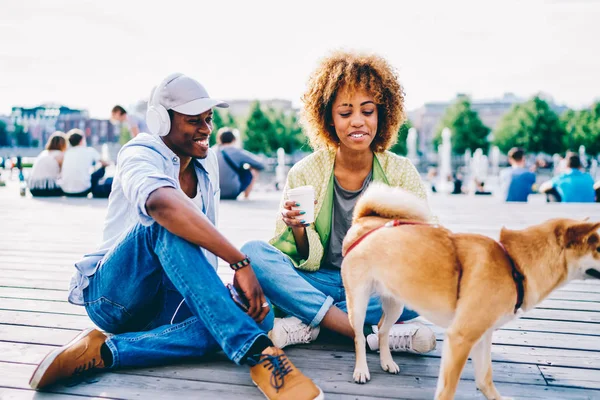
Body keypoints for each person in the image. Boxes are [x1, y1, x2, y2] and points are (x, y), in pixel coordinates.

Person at [29, 73, 322, 400]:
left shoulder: (206, 160)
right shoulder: (139, 152)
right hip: (114, 296)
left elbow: (200, 246)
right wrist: (239, 262)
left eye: (208, 119)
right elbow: (161, 205)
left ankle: (106, 351)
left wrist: (225, 299)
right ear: (160, 121)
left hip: (168, 301)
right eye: (193, 120)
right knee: (165, 225)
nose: (206, 129)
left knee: (258, 311)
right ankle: (259, 352)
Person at [241, 51, 437, 355]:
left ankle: (310, 323)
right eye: (345, 113)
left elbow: (427, 244)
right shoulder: (304, 171)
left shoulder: (400, 171)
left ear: (382, 114)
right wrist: (298, 230)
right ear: (329, 119)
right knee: (252, 254)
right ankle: (365, 331)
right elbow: (292, 258)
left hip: (374, 286)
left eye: (367, 111)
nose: (357, 121)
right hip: (318, 279)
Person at [60, 129, 113, 198]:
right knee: (102, 168)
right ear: (81, 140)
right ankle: (94, 191)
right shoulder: (89, 150)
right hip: (83, 191)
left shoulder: (67, 152)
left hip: (66, 191)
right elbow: (106, 163)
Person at [216, 127, 265, 200]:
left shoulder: (211, 151)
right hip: (232, 191)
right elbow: (260, 164)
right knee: (252, 168)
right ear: (234, 139)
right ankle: (246, 196)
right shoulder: (237, 152)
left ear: (219, 139)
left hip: (214, 192)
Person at [27, 132, 67, 197]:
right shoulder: (60, 155)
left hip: (33, 189)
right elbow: (63, 174)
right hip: (46, 189)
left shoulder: (43, 153)